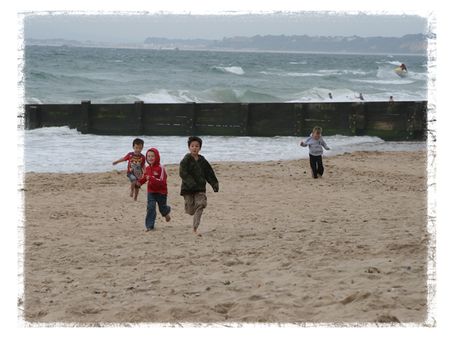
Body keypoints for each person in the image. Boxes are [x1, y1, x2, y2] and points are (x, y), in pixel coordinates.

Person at [179, 136, 219, 236]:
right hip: (187, 188)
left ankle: (195, 228)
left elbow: (209, 173)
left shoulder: (203, 160)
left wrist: (214, 184)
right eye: (192, 146)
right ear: (189, 147)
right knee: (190, 210)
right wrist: (191, 182)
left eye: (197, 146)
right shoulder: (186, 159)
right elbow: (183, 173)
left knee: (201, 204)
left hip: (200, 188)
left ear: (200, 148)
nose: (194, 148)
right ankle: (189, 209)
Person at [136, 148, 171, 231]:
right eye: (148, 156)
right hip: (151, 192)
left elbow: (162, 182)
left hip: (161, 192)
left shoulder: (160, 168)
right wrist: (139, 183)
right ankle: (150, 226)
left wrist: (151, 178)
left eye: (152, 156)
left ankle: (166, 212)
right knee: (151, 207)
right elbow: (144, 178)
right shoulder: (147, 168)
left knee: (162, 208)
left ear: (157, 157)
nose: (150, 158)